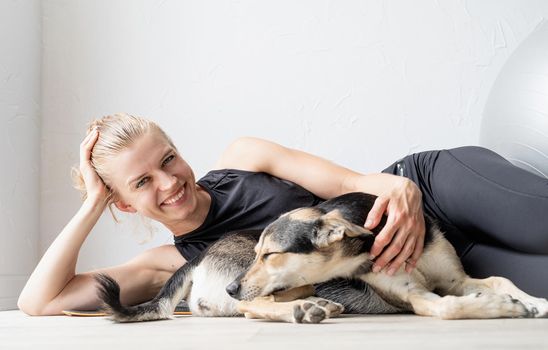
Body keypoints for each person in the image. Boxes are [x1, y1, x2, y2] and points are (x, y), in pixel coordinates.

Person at [17, 113, 548, 316]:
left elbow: (353, 185)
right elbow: (39, 301)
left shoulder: (245, 156)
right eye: (141, 182)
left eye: (168, 158)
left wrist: (404, 188)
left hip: (428, 196)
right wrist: (91, 201)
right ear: (124, 203)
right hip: (440, 271)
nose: (170, 181)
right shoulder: (172, 264)